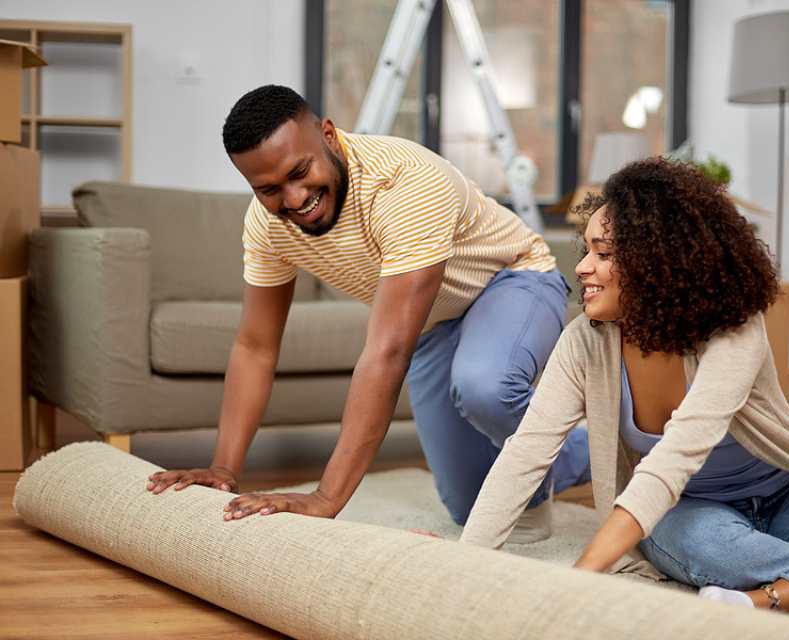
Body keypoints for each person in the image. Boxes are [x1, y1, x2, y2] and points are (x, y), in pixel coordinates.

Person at [459, 158, 789, 625]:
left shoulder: (733, 330)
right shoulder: (584, 342)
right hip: (690, 511)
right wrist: (462, 561)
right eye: (586, 250)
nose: (583, 268)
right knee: (704, 545)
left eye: (603, 253)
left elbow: (680, 449)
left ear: (658, 262)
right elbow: (528, 453)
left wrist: (580, 578)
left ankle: (771, 596)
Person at [145, 85, 589, 540]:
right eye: (269, 189)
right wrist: (224, 468)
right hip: (435, 324)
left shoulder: (403, 183)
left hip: (512, 280)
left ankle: (593, 454)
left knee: (483, 385)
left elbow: (387, 351)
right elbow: (256, 346)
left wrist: (326, 498)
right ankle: (559, 467)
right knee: (468, 503)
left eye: (301, 171)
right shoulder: (267, 225)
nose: (294, 199)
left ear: (329, 135)